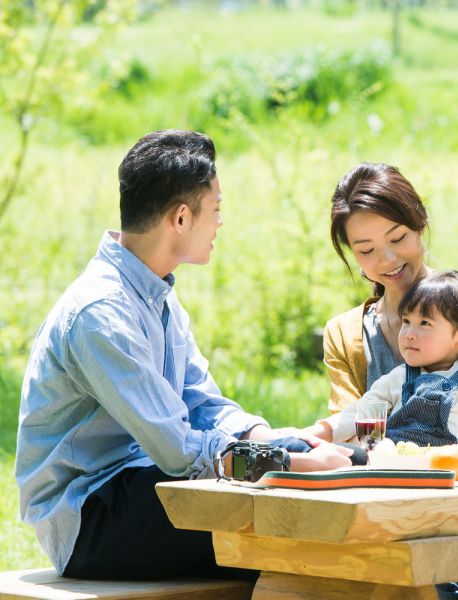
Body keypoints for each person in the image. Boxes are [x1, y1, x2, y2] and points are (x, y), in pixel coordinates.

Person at [15, 130, 353, 581]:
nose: (219, 223)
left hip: (144, 482)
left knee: (326, 473)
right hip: (93, 515)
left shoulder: (157, 296)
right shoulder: (100, 314)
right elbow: (178, 451)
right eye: (215, 211)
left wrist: (273, 438)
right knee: (285, 531)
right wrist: (286, 463)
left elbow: (202, 404)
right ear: (180, 218)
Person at [322, 162, 458, 599]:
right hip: (385, 509)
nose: (386, 260)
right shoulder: (346, 334)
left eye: (398, 238)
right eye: (365, 250)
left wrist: (454, 461)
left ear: (420, 225)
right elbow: (351, 430)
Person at [307, 271, 458, 446]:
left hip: (452, 474)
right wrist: (323, 431)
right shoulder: (398, 377)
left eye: (425, 324)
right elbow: (361, 412)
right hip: (398, 466)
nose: (408, 333)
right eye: (406, 322)